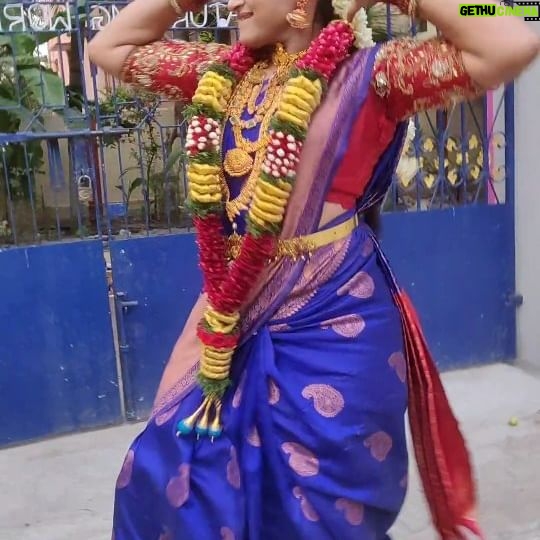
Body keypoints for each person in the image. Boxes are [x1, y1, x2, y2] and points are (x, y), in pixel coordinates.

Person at [89, 0, 539, 538]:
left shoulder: (373, 75)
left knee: (320, 517)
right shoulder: (222, 73)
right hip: (231, 318)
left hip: (333, 327)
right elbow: (106, 49)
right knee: (164, 475)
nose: (233, 2)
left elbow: (512, 38)